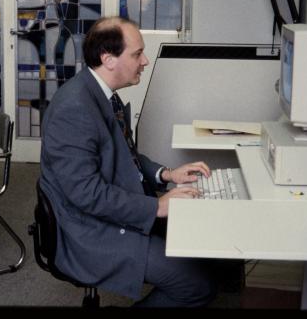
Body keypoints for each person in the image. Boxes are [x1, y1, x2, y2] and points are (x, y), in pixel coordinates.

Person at [39, 16, 219, 307]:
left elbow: (126, 155)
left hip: (114, 212)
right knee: (195, 286)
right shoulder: (73, 109)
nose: (145, 61)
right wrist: (157, 206)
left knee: (204, 243)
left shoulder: (102, 95)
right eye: (137, 54)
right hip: (89, 232)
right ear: (108, 59)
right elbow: (86, 194)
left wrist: (167, 174)